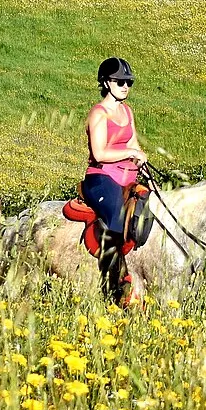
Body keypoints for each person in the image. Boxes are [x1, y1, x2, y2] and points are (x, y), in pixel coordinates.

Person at [82, 56, 152, 299]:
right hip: (101, 178)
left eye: (128, 82)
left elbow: (132, 143)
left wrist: (139, 159)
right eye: (120, 81)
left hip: (127, 176)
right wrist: (130, 152)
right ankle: (112, 285)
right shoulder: (98, 114)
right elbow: (100, 152)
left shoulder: (127, 111)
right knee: (117, 218)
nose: (125, 86)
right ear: (106, 82)